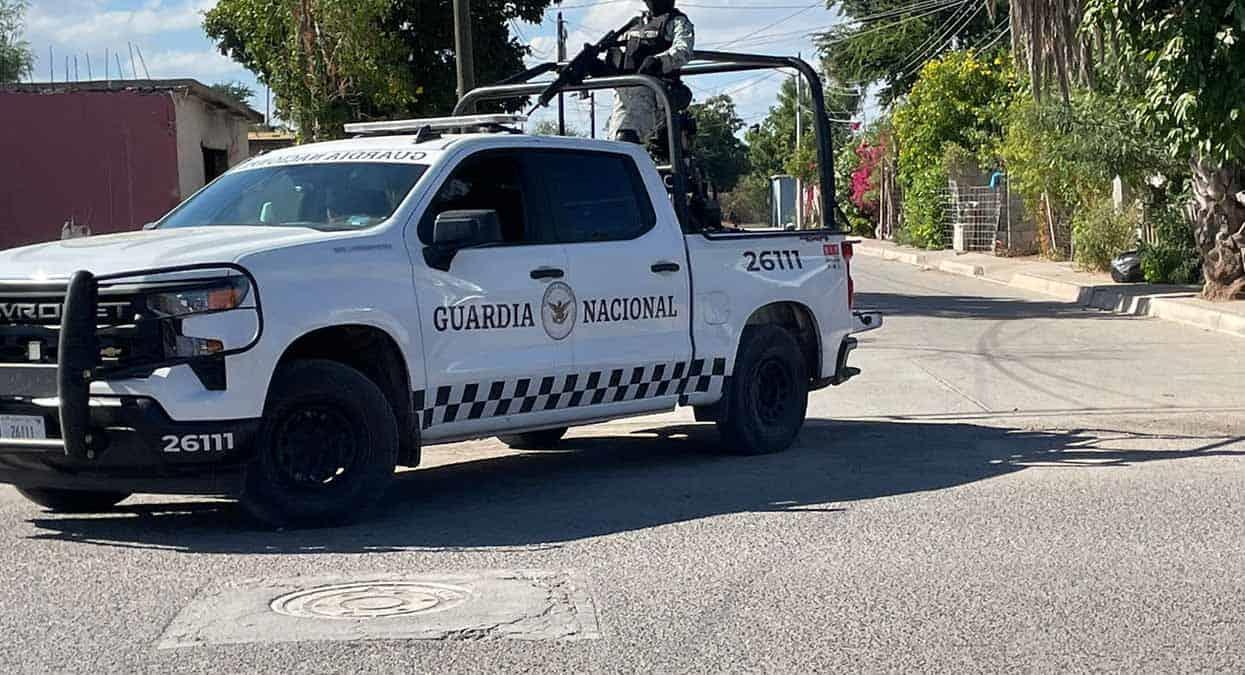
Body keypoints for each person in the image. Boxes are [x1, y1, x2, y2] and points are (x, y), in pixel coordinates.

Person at [605, 0, 695, 145]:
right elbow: (618, 54)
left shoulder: (676, 21)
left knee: (627, 139)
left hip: (653, 92)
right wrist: (602, 66)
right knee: (614, 146)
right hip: (624, 93)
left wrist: (660, 62)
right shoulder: (635, 24)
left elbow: (683, 50)